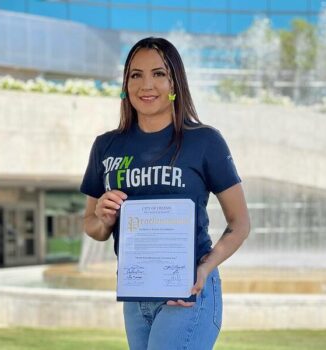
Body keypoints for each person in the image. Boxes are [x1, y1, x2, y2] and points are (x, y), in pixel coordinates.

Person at [80, 37, 250, 350]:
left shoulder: (204, 141)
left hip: (188, 291)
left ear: (175, 83)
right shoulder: (106, 146)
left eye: (158, 74)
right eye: (136, 75)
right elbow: (92, 227)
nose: (147, 85)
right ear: (125, 84)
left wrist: (204, 269)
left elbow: (240, 224)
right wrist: (104, 217)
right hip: (136, 294)